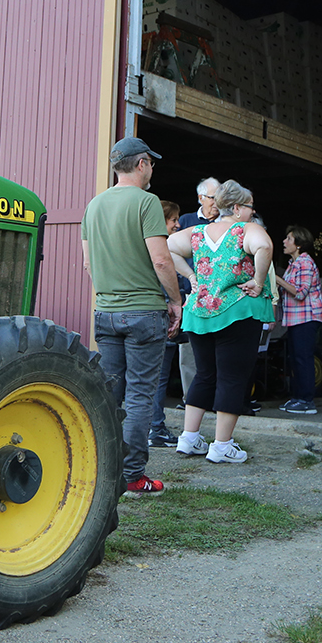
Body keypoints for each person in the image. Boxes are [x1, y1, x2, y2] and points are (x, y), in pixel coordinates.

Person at [81, 137, 183, 498]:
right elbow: (161, 260)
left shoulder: (94, 206)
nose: (152, 169)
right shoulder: (146, 203)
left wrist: (111, 294)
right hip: (143, 313)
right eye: (151, 163)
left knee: (109, 393)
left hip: (106, 313)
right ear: (141, 165)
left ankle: (103, 468)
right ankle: (133, 476)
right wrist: (176, 301)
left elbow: (89, 263)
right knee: (140, 396)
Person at [166, 180, 275, 464]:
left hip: (200, 311)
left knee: (205, 374)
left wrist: (192, 278)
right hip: (236, 311)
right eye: (250, 207)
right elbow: (263, 246)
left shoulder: (198, 231)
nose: (253, 212)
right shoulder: (247, 229)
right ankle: (222, 445)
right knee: (232, 377)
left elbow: (168, 247)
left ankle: (189, 438)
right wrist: (259, 281)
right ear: (237, 208)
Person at [175, 177, 219, 401]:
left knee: (216, 348)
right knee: (190, 349)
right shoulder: (186, 221)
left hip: (219, 297)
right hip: (191, 296)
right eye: (213, 197)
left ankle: (214, 399)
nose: (216, 202)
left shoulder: (224, 222)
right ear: (201, 198)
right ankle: (190, 398)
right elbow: (173, 254)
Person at [274, 225, 322, 415]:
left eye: (289, 239)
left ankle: (306, 400)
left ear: (299, 244)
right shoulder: (294, 264)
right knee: (296, 358)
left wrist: (277, 279)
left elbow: (300, 292)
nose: (284, 242)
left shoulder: (304, 263)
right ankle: (297, 398)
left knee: (303, 358)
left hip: (307, 317)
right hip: (296, 318)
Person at [148, 200, 182, 448]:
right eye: (173, 221)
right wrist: (176, 301)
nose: (178, 225)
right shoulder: (162, 250)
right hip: (160, 317)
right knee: (158, 377)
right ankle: (155, 428)